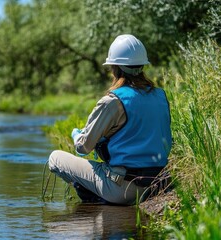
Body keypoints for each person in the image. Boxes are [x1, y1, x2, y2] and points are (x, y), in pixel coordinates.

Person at [48, 34, 172, 205]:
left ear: (115, 68)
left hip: (122, 189)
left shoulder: (112, 101)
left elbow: (83, 148)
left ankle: (98, 200)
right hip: (158, 184)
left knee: (55, 158)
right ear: (143, 66)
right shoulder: (161, 96)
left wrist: (76, 135)